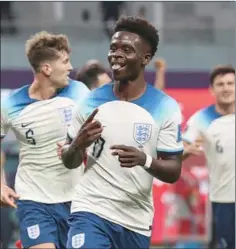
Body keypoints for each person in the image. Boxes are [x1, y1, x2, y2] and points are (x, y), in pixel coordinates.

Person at [61, 16, 183, 249]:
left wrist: (144, 160)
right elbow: (69, 161)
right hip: (90, 209)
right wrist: (78, 144)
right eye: (113, 48)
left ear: (145, 58)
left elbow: (174, 170)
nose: (116, 54)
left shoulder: (165, 107)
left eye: (126, 49)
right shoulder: (89, 103)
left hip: (134, 220)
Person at [0, 31, 89, 249]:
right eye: (65, 62)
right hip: (33, 199)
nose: (70, 68)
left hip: (76, 200)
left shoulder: (79, 92)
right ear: (47, 69)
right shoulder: (11, 105)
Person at [182, 65, 235, 249]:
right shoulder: (202, 119)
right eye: (220, 84)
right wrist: (185, 152)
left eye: (230, 83)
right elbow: (179, 150)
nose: (226, 88)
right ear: (212, 90)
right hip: (224, 201)